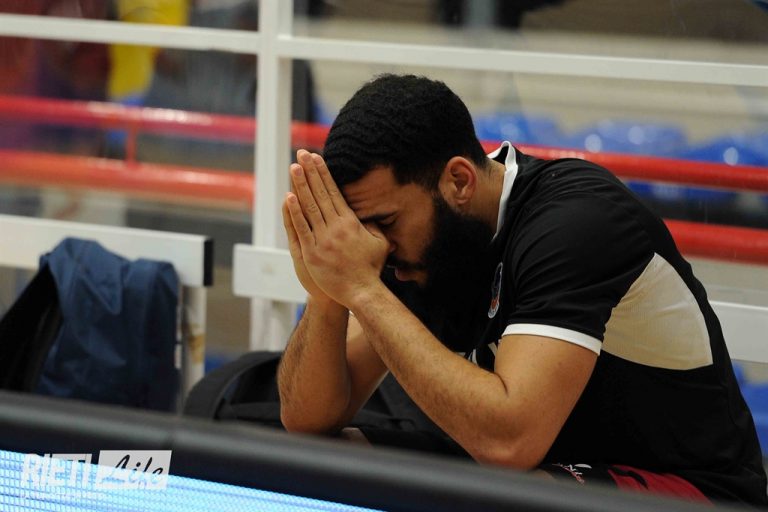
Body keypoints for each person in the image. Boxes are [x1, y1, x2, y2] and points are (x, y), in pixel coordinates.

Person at [276, 74, 768, 506]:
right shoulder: (420, 237)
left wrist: (362, 289)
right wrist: (328, 290)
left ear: (459, 181)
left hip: (694, 489)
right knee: (319, 463)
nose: (376, 248)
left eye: (385, 223)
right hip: (544, 469)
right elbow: (307, 420)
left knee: (509, 496)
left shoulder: (574, 224)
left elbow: (508, 443)